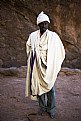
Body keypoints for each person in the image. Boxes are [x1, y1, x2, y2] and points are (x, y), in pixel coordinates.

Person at [25, 11, 65, 119]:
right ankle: (42, 108)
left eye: (46, 23)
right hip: (37, 67)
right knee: (39, 89)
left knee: (50, 89)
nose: (44, 25)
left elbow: (60, 51)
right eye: (42, 23)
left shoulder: (53, 36)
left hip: (49, 68)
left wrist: (54, 65)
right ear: (38, 24)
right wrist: (33, 56)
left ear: (48, 24)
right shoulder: (33, 36)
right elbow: (28, 46)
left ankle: (51, 109)